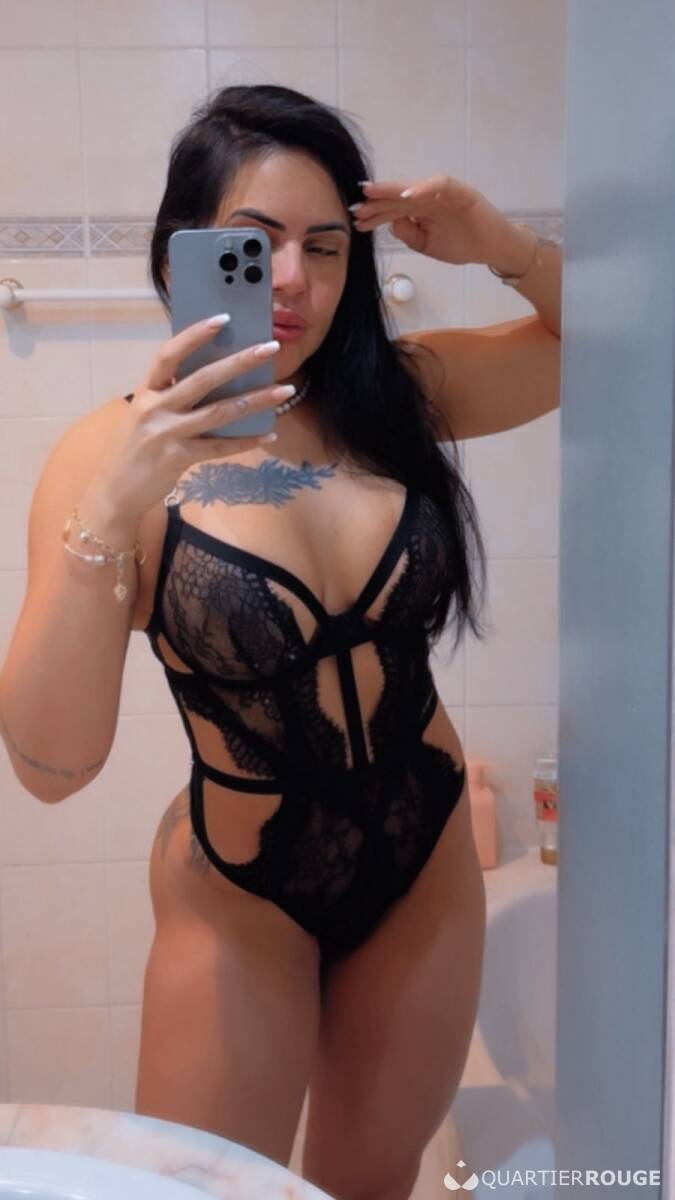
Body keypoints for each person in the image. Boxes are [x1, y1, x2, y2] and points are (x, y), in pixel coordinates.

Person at [0, 83, 559, 1200]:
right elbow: (52, 769)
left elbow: (627, 346)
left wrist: (500, 245)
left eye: (325, 246)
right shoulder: (106, 458)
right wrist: (110, 509)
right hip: (241, 892)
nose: (293, 279)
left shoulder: (398, 399)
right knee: (209, 1189)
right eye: (255, 245)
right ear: (183, 256)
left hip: (424, 863)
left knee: (370, 1184)